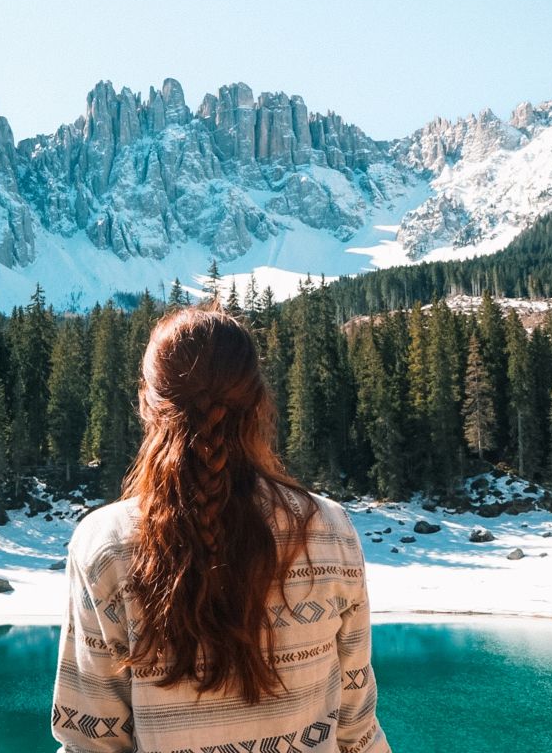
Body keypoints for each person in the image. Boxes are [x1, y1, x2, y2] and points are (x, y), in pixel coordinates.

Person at [51, 306, 391, 753]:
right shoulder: (327, 530)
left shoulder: (106, 545)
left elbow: (91, 741)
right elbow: (356, 729)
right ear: (258, 403)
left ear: (148, 403)